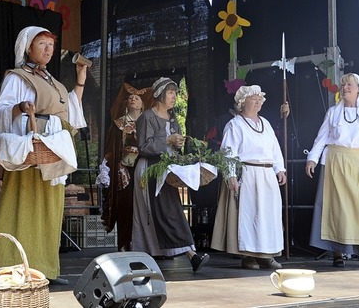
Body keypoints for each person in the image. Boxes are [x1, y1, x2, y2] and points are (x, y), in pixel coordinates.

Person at [0, 26, 87, 285]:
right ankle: (13, 268)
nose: (48, 49)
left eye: (51, 45)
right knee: (23, 205)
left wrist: (80, 81)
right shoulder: (18, 77)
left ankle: (44, 269)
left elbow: (71, 112)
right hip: (30, 147)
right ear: (28, 48)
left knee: (50, 208)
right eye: (42, 43)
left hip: (52, 150)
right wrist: (20, 107)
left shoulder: (52, 81)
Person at [305, 73, 359, 269]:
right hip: (335, 162)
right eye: (343, 85)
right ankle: (338, 253)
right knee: (338, 209)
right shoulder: (333, 113)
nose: (345, 88)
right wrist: (312, 159)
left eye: (349, 85)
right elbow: (321, 138)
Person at [132, 77, 209, 272]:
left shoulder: (173, 119)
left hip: (167, 170)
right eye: (170, 92)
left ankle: (185, 254)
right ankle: (188, 254)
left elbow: (174, 147)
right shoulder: (147, 117)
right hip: (151, 170)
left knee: (170, 210)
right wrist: (167, 140)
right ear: (159, 94)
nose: (174, 96)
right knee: (163, 212)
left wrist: (178, 144)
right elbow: (143, 146)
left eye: (175, 92)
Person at [210, 85, 287, 270]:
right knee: (251, 215)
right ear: (242, 102)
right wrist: (230, 175)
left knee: (268, 216)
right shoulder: (235, 124)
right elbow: (228, 152)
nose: (259, 101)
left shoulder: (265, 124)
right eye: (254, 98)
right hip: (248, 174)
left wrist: (280, 169)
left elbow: (275, 149)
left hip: (267, 175)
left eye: (260, 98)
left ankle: (267, 254)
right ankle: (249, 256)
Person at [99, 83, 152, 251]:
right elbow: (110, 149)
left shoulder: (149, 122)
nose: (133, 99)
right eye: (130, 97)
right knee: (126, 205)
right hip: (124, 169)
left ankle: (149, 245)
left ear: (143, 103)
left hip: (145, 165)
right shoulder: (118, 125)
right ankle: (124, 243)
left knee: (146, 205)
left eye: (137, 98)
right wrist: (105, 167)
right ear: (126, 104)